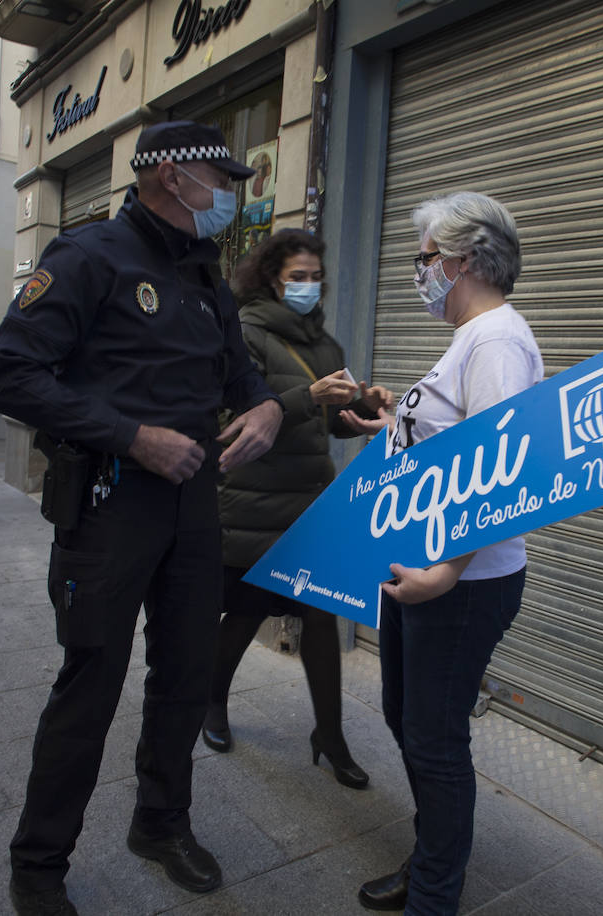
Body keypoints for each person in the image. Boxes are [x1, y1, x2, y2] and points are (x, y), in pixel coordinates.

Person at [0, 120, 283, 916]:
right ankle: (39, 865)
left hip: (192, 506)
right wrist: (132, 437)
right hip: (111, 502)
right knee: (91, 684)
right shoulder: (88, 258)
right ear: (171, 178)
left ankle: (161, 822)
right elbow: (8, 375)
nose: (228, 197)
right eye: (220, 182)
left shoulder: (205, 275)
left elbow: (241, 374)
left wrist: (264, 413)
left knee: (185, 677)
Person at [340, 192, 543, 914]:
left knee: (434, 739)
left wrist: (445, 571)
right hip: (428, 570)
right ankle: (432, 858)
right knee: (409, 720)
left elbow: (500, 470)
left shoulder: (496, 342)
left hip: (461, 583)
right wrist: (397, 417)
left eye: (424, 259)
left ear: (461, 260)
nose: (419, 272)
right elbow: (458, 446)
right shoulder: (472, 339)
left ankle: (433, 896)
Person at [203, 229, 393, 790]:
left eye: (315, 277)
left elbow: (333, 422)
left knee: (319, 615)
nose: (309, 287)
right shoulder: (245, 334)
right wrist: (306, 398)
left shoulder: (324, 344)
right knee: (244, 612)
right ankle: (212, 702)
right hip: (252, 502)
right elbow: (230, 422)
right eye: (297, 278)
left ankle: (329, 735)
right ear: (270, 279)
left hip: (311, 504)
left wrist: (364, 406)